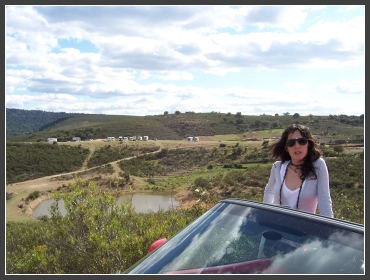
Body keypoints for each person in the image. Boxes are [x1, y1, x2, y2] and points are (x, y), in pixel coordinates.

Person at [263, 123, 333, 218]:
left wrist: (329, 230)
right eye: (291, 143)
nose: (297, 146)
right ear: (286, 148)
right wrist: (265, 215)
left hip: (302, 230)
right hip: (276, 227)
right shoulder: (277, 167)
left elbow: (324, 200)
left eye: (302, 141)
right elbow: (269, 191)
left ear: (308, 144)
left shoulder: (318, 166)